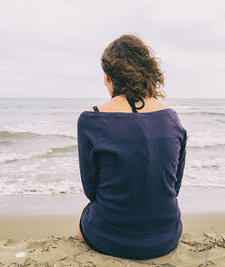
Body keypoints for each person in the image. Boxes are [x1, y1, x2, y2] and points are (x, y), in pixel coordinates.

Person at [75, 34, 187, 260]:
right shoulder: (172, 118)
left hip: (109, 236)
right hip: (166, 236)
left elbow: (91, 191)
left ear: (108, 76)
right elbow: (174, 187)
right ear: (148, 72)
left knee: (82, 220)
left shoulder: (90, 120)